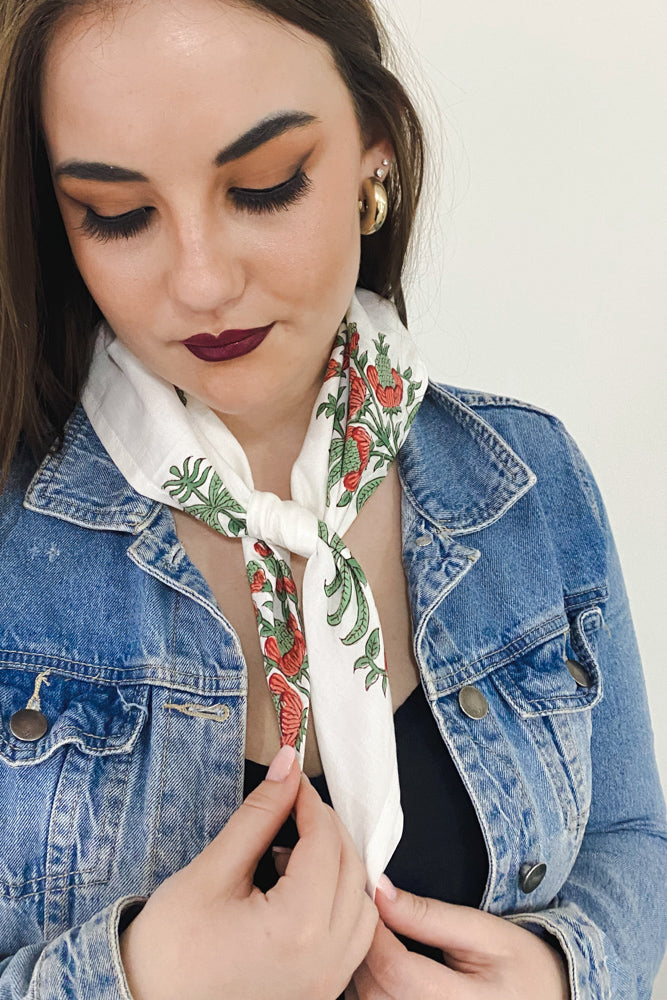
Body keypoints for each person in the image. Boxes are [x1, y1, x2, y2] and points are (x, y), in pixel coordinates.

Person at [0, 0, 665, 998]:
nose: (201, 280)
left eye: (263, 186)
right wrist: (140, 982)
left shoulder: (527, 483)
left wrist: (559, 976)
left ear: (374, 157)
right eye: (119, 213)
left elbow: (630, 839)